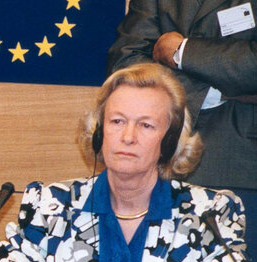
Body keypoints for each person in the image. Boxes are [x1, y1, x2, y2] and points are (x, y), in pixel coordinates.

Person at [0, 62, 257, 262]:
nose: (128, 137)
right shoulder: (51, 205)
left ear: (170, 142)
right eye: (117, 121)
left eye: (146, 125)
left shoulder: (207, 212)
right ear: (98, 131)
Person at [107, 0, 257, 190]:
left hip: (240, 163)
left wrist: (182, 52)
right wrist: (215, 92)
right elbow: (125, 64)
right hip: (159, 160)